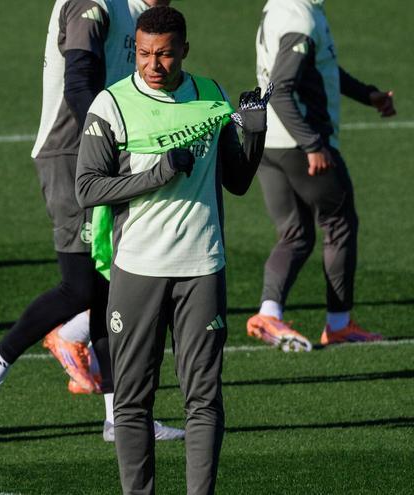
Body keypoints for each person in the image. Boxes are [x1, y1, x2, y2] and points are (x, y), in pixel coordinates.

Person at [0, 0, 184, 444]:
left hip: (105, 151)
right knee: (81, 285)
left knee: (106, 287)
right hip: (73, 153)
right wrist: (113, 139)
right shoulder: (93, 3)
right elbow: (78, 80)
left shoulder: (132, 11)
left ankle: (118, 418)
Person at [75, 6, 269, 493]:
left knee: (203, 399)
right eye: (143, 54)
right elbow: (88, 189)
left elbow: (239, 181)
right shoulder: (111, 105)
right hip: (137, 270)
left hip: (202, 267)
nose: (152, 65)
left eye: (163, 54)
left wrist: (255, 132)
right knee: (133, 401)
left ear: (184, 50)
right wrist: (157, 173)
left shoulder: (210, 95)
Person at [246, 0, 396, 351]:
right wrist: (312, 144)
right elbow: (282, 89)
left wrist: (366, 94)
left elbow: (318, 67)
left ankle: (269, 312)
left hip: (269, 142)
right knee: (340, 221)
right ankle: (339, 324)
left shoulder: (285, 8)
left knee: (295, 234)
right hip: (301, 144)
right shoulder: (299, 17)